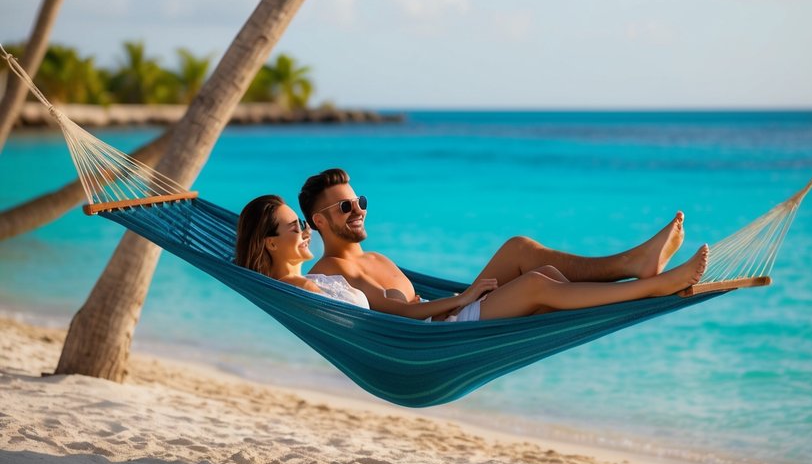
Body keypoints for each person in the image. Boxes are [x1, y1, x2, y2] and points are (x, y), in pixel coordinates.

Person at [293, 168, 709, 321]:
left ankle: (634, 262)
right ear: (320, 220)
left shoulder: (378, 258)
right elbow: (400, 311)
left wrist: (461, 298)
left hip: (451, 315)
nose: (358, 209)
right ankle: (651, 286)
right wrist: (468, 296)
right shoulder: (329, 273)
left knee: (523, 253)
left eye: (360, 201)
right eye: (346, 205)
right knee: (538, 287)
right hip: (437, 339)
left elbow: (414, 301)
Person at [235, 194, 497, 320]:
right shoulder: (300, 288)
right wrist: (463, 299)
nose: (306, 232)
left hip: (434, 320)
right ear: (270, 243)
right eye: (295, 228)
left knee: (526, 261)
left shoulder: (312, 280)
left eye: (303, 224)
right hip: (433, 334)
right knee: (533, 278)